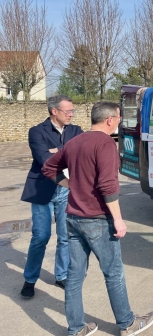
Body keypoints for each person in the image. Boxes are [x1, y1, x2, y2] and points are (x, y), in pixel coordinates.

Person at [42, 101, 153, 336]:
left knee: (74, 276)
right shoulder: (105, 143)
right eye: (119, 118)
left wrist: (70, 185)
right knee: (113, 272)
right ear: (109, 120)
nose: (119, 122)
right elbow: (107, 185)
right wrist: (119, 219)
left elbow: (49, 167)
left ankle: (76, 328)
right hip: (97, 219)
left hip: (73, 217)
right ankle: (127, 323)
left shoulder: (74, 142)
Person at [20, 95, 83, 299]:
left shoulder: (76, 131)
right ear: (54, 111)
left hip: (67, 188)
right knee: (41, 236)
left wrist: (57, 151)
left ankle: (62, 275)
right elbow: (44, 159)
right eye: (68, 111)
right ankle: (30, 279)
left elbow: (81, 155)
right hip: (42, 190)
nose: (72, 114)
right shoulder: (37, 131)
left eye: (72, 111)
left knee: (65, 236)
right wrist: (66, 152)